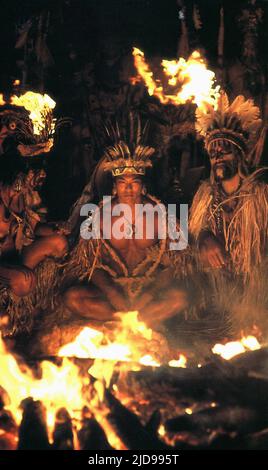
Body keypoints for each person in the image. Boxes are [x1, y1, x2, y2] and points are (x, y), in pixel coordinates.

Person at [62, 116, 192, 329]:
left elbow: (177, 265)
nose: (129, 189)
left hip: (148, 292)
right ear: (114, 187)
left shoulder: (162, 215)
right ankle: (129, 323)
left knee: (180, 297)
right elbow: (89, 265)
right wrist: (113, 293)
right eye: (123, 183)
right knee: (73, 297)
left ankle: (125, 324)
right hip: (113, 294)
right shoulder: (98, 216)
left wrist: (149, 294)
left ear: (143, 186)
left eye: (135, 183)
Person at [189, 91, 268, 331]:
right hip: (216, 292)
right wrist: (203, 238)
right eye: (213, 153)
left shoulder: (261, 194)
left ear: (240, 155)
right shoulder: (205, 195)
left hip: (256, 293)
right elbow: (189, 234)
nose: (217, 157)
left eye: (225, 151)